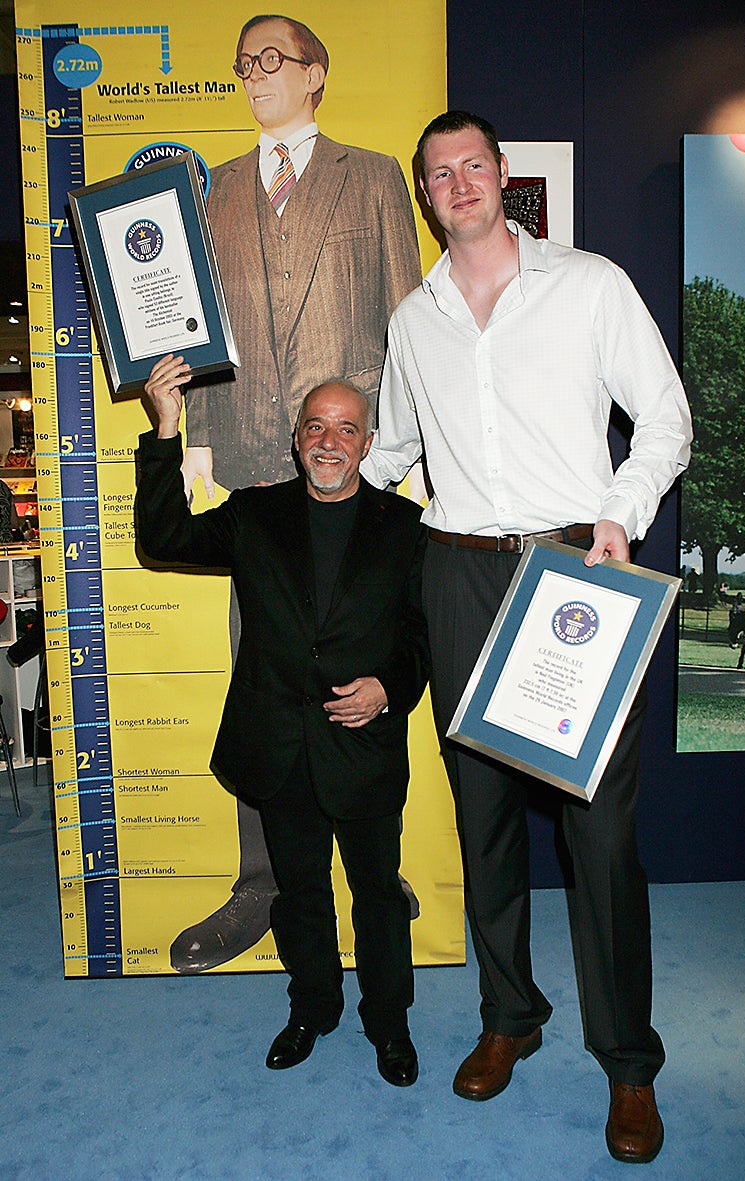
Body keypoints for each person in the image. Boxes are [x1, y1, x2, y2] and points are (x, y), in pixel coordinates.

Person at [360, 111, 692, 1162]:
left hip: (573, 575)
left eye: (471, 166)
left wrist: (620, 507)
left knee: (599, 834)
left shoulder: (590, 285)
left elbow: (667, 414)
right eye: (437, 174)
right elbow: (394, 449)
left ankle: (628, 1060)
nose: (456, 184)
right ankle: (510, 1015)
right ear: (425, 194)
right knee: (485, 818)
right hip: (455, 574)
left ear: (502, 178)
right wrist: (310, 495)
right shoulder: (413, 323)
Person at [160, 13, 422, 974]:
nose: (253, 74)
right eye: (243, 62)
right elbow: (177, 321)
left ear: (316, 75)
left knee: (360, 665)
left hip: (349, 471)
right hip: (253, 481)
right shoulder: (210, 191)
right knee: (264, 686)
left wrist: (391, 459)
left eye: (273, 59)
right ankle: (263, 878)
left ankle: (371, 862)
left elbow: (408, 324)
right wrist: (184, 427)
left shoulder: (376, 176)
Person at [136, 367, 429, 1087]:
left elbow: (424, 642)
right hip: (278, 748)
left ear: (366, 444)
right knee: (298, 893)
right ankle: (313, 1008)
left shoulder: (406, 528)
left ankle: (388, 1023)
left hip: (361, 750)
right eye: (316, 427)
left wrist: (388, 688)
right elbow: (163, 535)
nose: (330, 441)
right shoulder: (254, 514)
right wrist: (165, 430)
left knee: (379, 897)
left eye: (346, 429)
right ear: (298, 440)